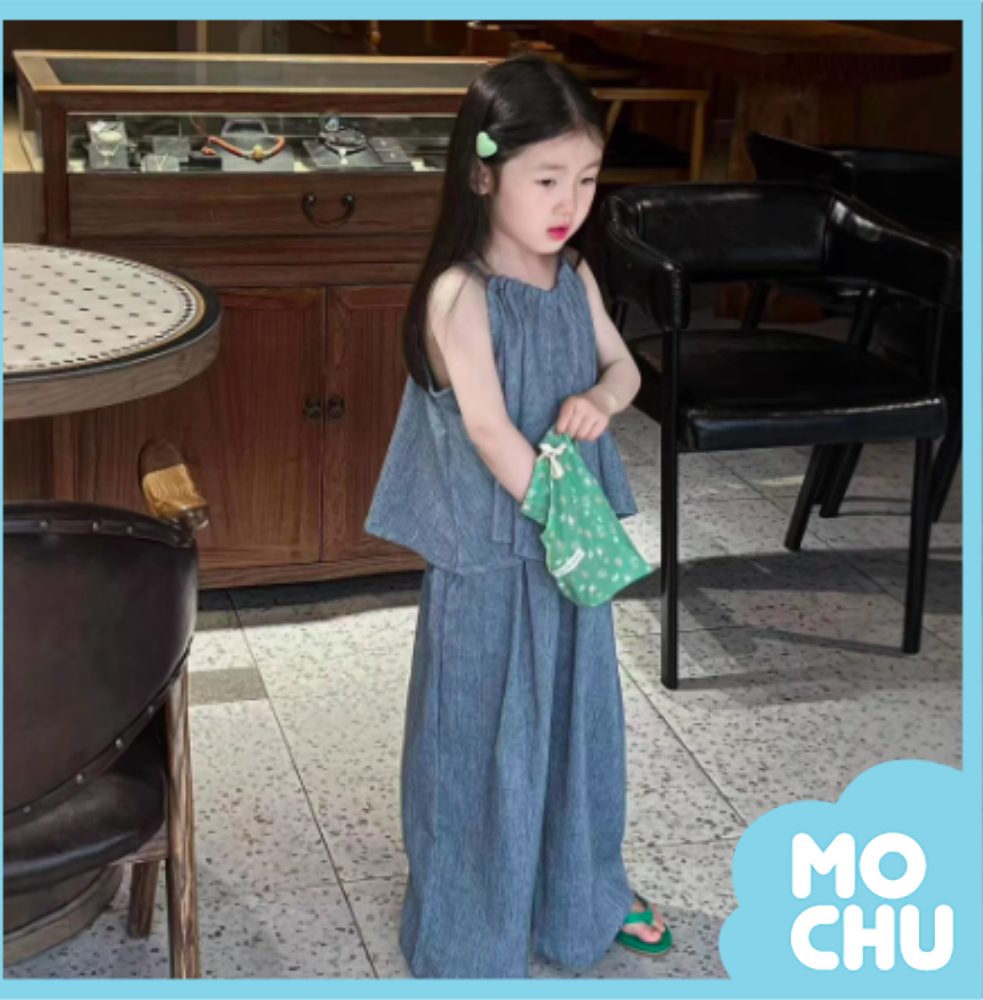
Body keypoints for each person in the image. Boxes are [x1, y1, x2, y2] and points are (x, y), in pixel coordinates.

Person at [365, 53, 670, 979]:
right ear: (482, 173)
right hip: (496, 558)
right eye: (547, 180)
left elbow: (626, 367)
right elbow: (491, 431)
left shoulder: (573, 273)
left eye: (587, 179)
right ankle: (469, 924)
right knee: (476, 737)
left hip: (566, 557)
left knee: (577, 730)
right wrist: (567, 526)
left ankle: (580, 893)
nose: (569, 202)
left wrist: (601, 401)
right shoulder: (459, 294)